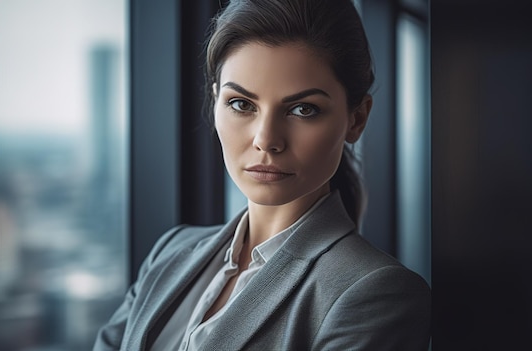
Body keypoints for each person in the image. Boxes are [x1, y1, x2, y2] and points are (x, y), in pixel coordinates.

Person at [93, 0, 431, 349]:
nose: (266, 140)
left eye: (303, 109)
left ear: (356, 119)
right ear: (215, 103)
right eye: (241, 104)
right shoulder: (170, 252)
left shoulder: (374, 292)